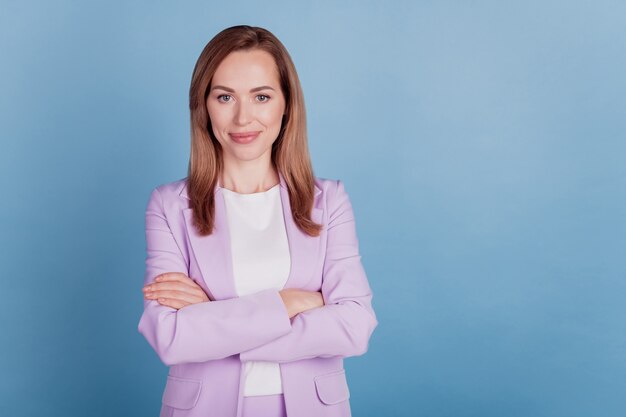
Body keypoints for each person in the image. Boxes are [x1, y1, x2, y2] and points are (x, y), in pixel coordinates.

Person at [137, 25, 378, 417]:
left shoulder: (329, 201)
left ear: (286, 105)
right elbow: (170, 337)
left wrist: (213, 315)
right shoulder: (168, 205)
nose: (243, 117)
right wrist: (288, 304)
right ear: (204, 105)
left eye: (261, 96)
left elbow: (354, 326)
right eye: (225, 96)